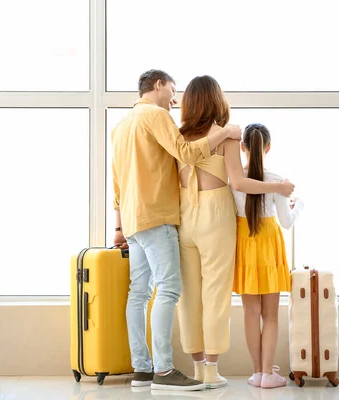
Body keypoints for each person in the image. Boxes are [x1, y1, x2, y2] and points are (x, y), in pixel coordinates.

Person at [110, 69, 242, 391]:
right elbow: (185, 154)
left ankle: (143, 369)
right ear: (158, 85)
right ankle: (167, 371)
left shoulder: (120, 126)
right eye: (172, 89)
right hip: (161, 215)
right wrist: (225, 133)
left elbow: (116, 182)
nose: (174, 98)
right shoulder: (156, 116)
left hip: (133, 220)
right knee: (172, 290)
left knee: (139, 294)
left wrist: (118, 226)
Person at [175, 75, 295, 388]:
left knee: (189, 296)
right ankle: (212, 371)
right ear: (217, 100)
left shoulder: (178, 135)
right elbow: (238, 183)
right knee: (215, 294)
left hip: (184, 215)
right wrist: (280, 187)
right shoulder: (226, 135)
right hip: (215, 216)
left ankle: (197, 367)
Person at [231, 123, 304, 389]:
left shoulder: (235, 180)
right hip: (269, 245)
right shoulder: (277, 180)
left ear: (243, 147)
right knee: (270, 315)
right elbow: (285, 222)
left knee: (251, 312)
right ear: (268, 147)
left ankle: (257, 372)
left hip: (245, 243)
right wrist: (299, 207)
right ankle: (267, 373)